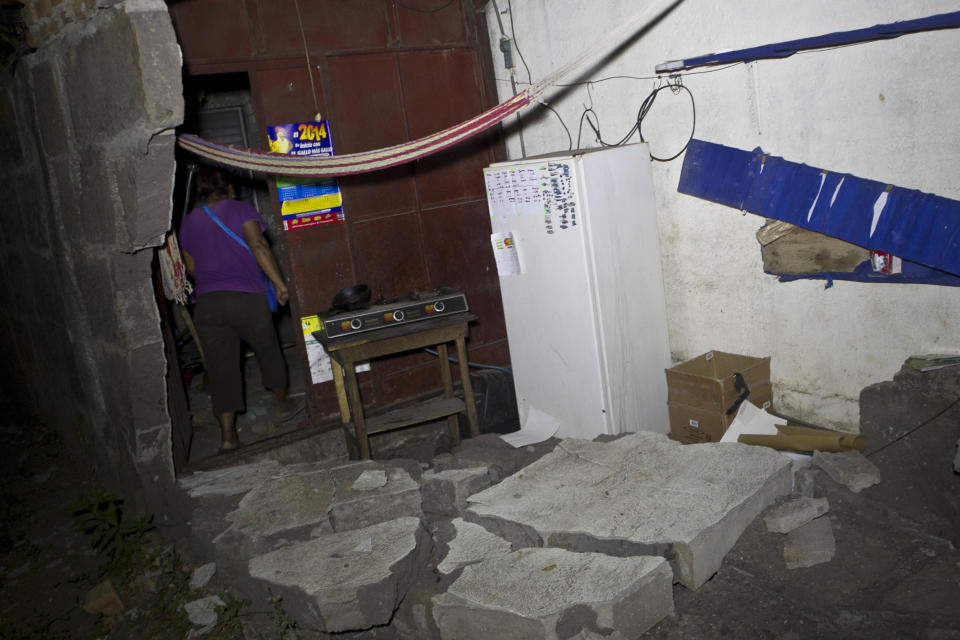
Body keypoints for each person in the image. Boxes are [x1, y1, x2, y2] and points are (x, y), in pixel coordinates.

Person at [179, 167, 302, 452]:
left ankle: (227, 437)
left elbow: (191, 268)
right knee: (268, 350)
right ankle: (282, 405)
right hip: (247, 298)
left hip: (208, 304)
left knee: (221, 369)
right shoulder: (241, 210)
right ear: (229, 188)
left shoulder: (189, 222)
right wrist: (278, 283)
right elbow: (258, 245)